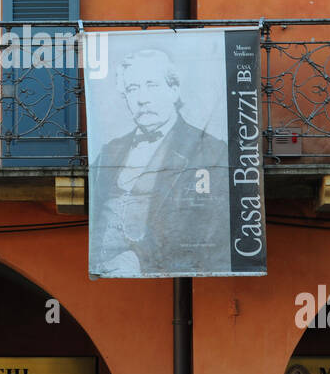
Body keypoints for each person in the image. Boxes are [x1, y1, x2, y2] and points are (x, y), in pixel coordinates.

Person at [90, 47, 229, 276]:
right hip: (101, 269)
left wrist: (141, 259)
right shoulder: (109, 152)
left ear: (173, 91)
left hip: (151, 266)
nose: (142, 99)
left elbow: (210, 226)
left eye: (152, 86)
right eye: (132, 89)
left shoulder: (211, 151)